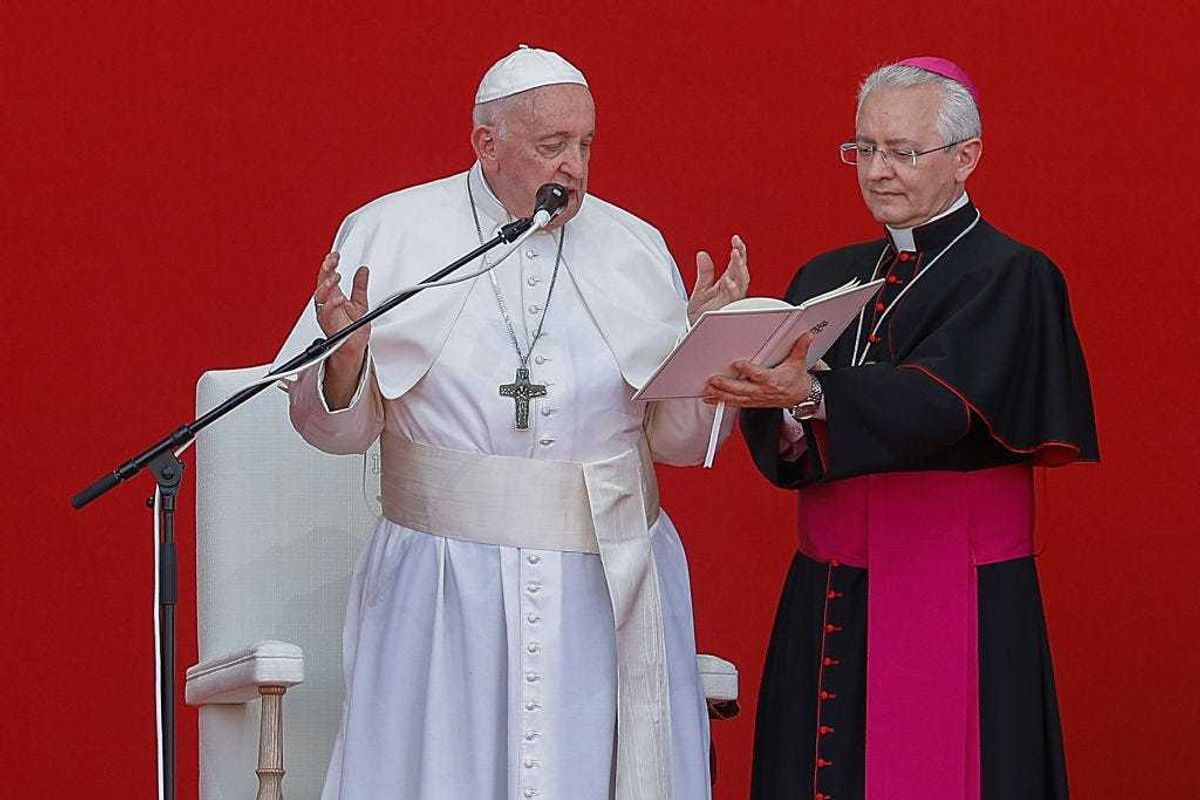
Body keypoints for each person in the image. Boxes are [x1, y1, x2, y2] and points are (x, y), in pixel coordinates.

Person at [272, 45, 748, 800]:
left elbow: (676, 444)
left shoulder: (634, 247)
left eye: (586, 144)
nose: (576, 168)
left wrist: (703, 353)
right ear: (485, 145)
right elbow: (335, 431)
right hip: (443, 585)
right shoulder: (389, 233)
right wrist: (345, 356)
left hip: (607, 582)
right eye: (551, 145)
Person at [704, 57, 1098, 800]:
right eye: (864, 149)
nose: (877, 171)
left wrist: (813, 394)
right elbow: (789, 442)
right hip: (830, 584)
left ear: (965, 157)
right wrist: (728, 348)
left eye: (902, 152)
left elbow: (940, 404)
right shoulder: (829, 274)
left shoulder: (1014, 275)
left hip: (954, 585)